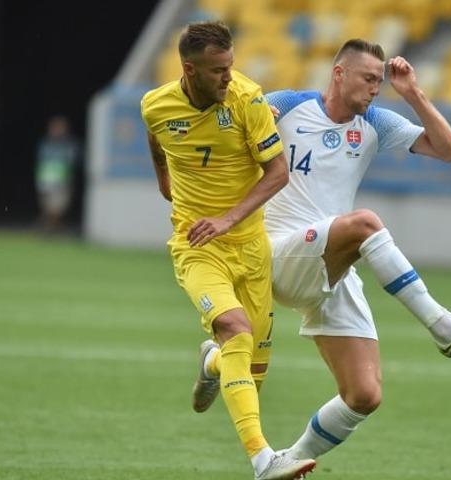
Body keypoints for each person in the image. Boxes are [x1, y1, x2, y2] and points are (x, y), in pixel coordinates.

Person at [199, 39, 451, 461]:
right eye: (368, 79)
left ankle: (284, 457)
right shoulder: (289, 105)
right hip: (276, 254)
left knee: (363, 395)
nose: (375, 89)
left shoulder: (375, 123)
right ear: (338, 74)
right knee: (366, 222)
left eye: (380, 82)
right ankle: (445, 328)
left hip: (332, 258)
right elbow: (223, 123)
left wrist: (413, 94)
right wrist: (251, 116)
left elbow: (450, 150)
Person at [140, 21, 316, 480]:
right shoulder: (156, 105)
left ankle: (213, 362)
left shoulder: (247, 100)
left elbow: (277, 173)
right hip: (197, 247)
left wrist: (228, 218)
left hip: (250, 248)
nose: (227, 77)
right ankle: (263, 459)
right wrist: (167, 186)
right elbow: (158, 143)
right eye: (218, 70)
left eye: (231, 67)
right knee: (235, 330)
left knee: (251, 372)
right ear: (189, 69)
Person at [35, 115, 79, 232]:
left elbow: (73, 161)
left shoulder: (69, 144)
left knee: (58, 208)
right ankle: (52, 228)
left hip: (62, 181)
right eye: (54, 127)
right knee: (48, 208)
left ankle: (51, 228)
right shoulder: (45, 144)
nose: (56, 130)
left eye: (60, 127)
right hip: (46, 181)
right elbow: (40, 161)